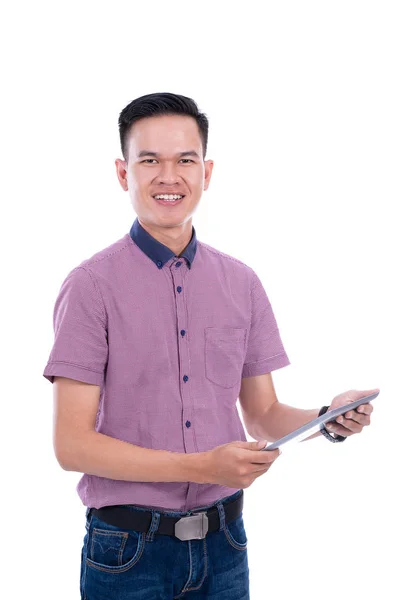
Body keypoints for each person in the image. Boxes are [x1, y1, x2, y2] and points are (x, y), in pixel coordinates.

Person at [43, 92, 377, 600]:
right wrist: (201, 467)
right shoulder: (90, 286)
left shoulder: (241, 283)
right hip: (128, 553)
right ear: (122, 172)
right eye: (149, 160)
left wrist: (326, 418)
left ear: (207, 171)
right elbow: (72, 445)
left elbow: (262, 415)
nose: (168, 176)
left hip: (225, 547)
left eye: (185, 160)